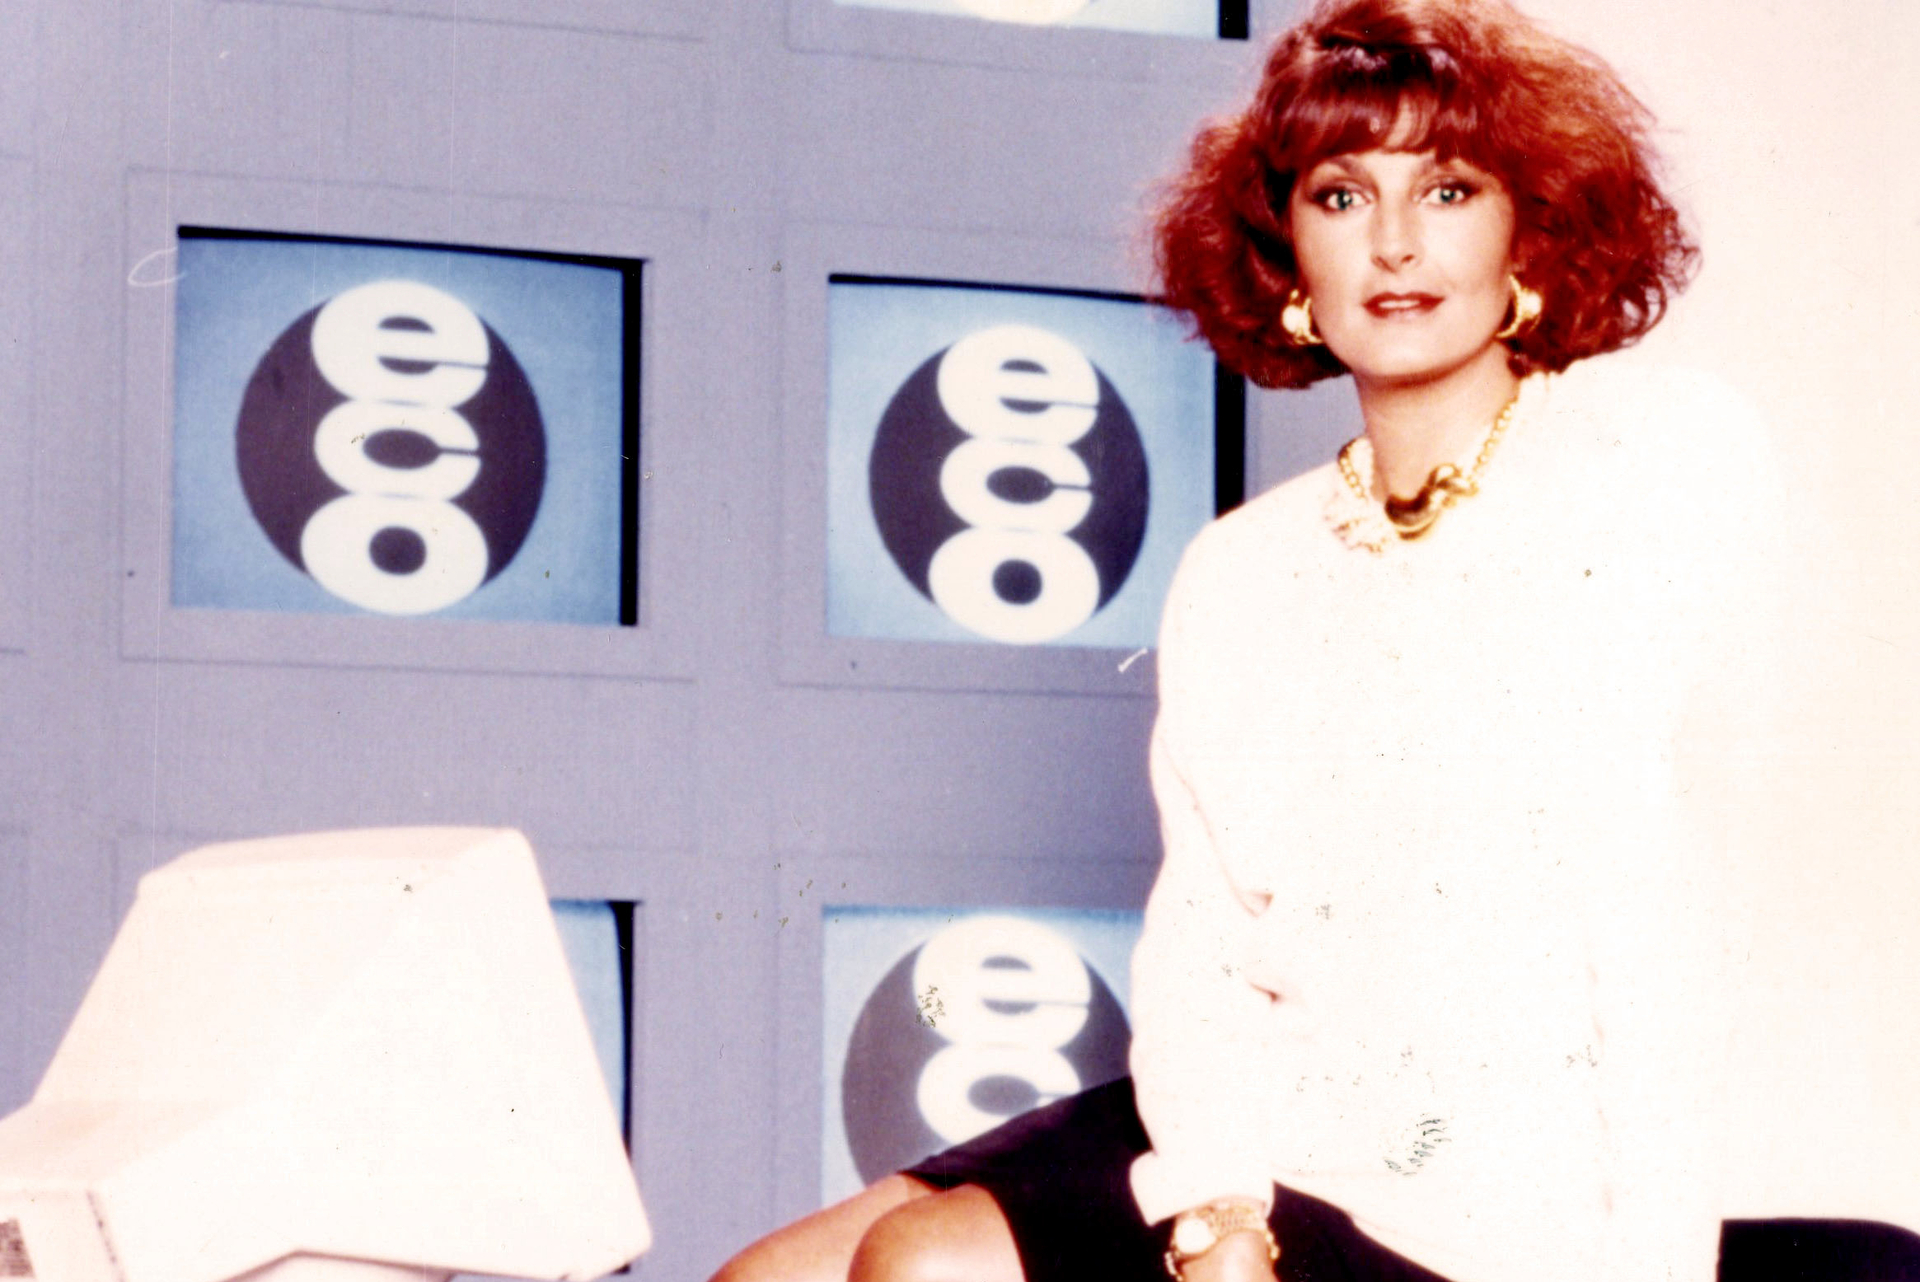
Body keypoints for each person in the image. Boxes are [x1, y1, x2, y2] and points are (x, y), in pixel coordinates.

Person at [711, 0, 1918, 1279]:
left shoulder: (1644, 468)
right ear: (1287, 252)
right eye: (1342, 197)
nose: (1395, 243)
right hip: (1265, 1114)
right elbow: (1208, 951)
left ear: (1530, 227)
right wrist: (1220, 1210)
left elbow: (1662, 921)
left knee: (925, 1265)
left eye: (1448, 189)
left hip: (1526, 1179)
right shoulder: (1243, 565)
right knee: (769, 1278)